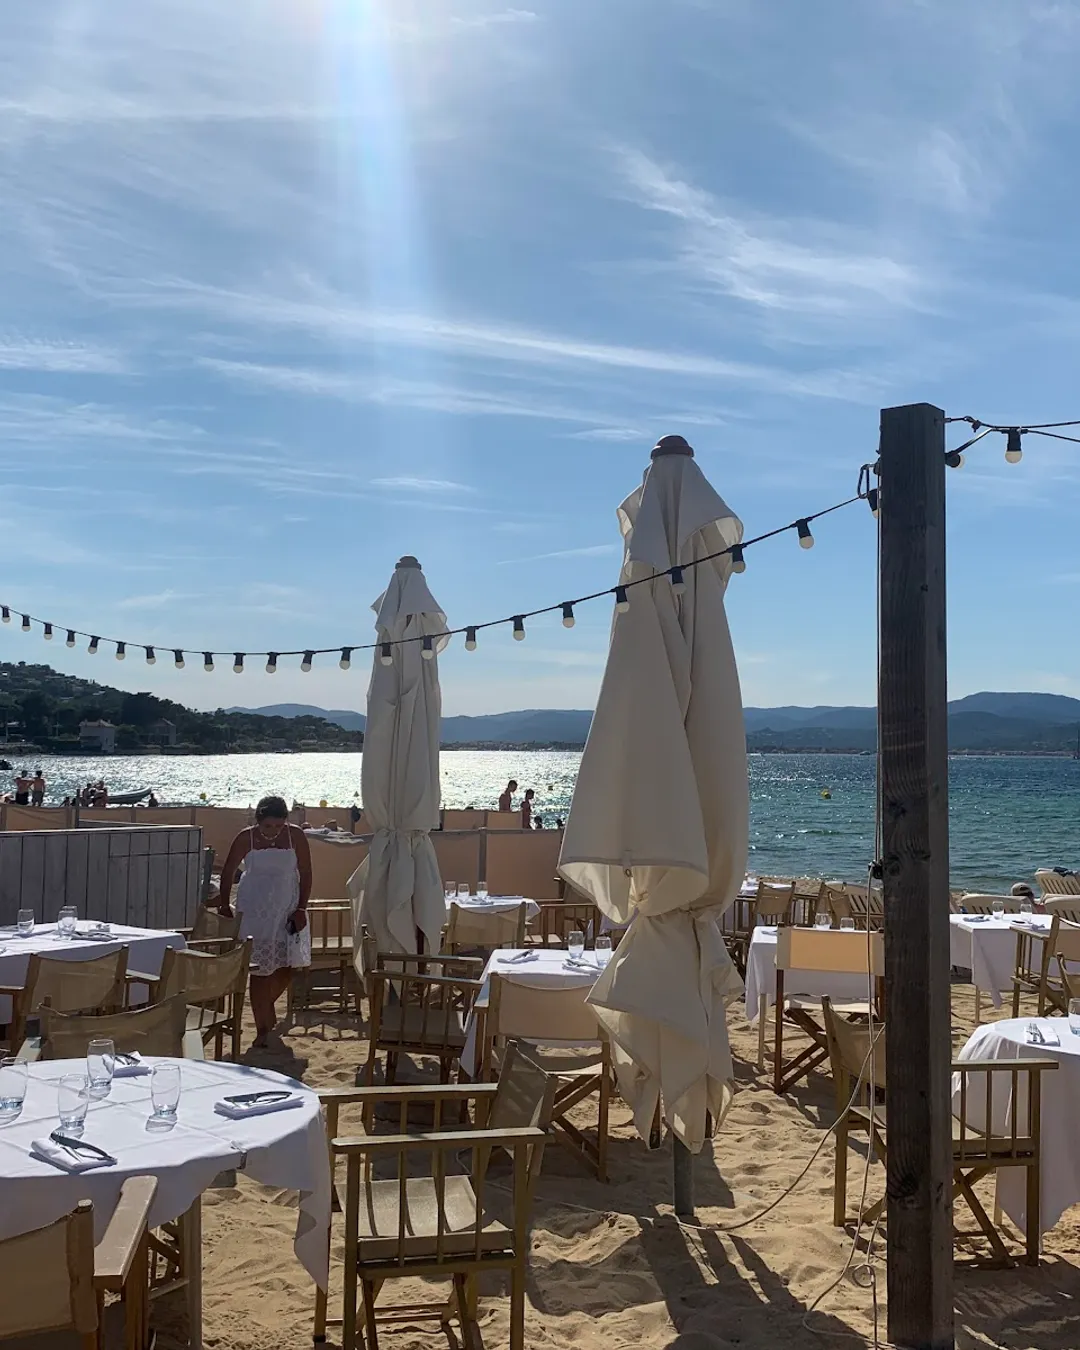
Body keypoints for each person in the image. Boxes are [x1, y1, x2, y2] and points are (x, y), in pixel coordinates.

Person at [218, 795, 312, 1048]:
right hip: (254, 910)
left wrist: (301, 908)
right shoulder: (245, 837)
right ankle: (262, 1029)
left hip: (286, 909)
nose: (273, 831)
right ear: (258, 821)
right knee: (259, 970)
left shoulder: (295, 836)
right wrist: (224, 904)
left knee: (286, 966)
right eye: (268, 826)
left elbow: (306, 872)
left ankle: (265, 1006)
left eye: (279, 825)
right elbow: (228, 871)